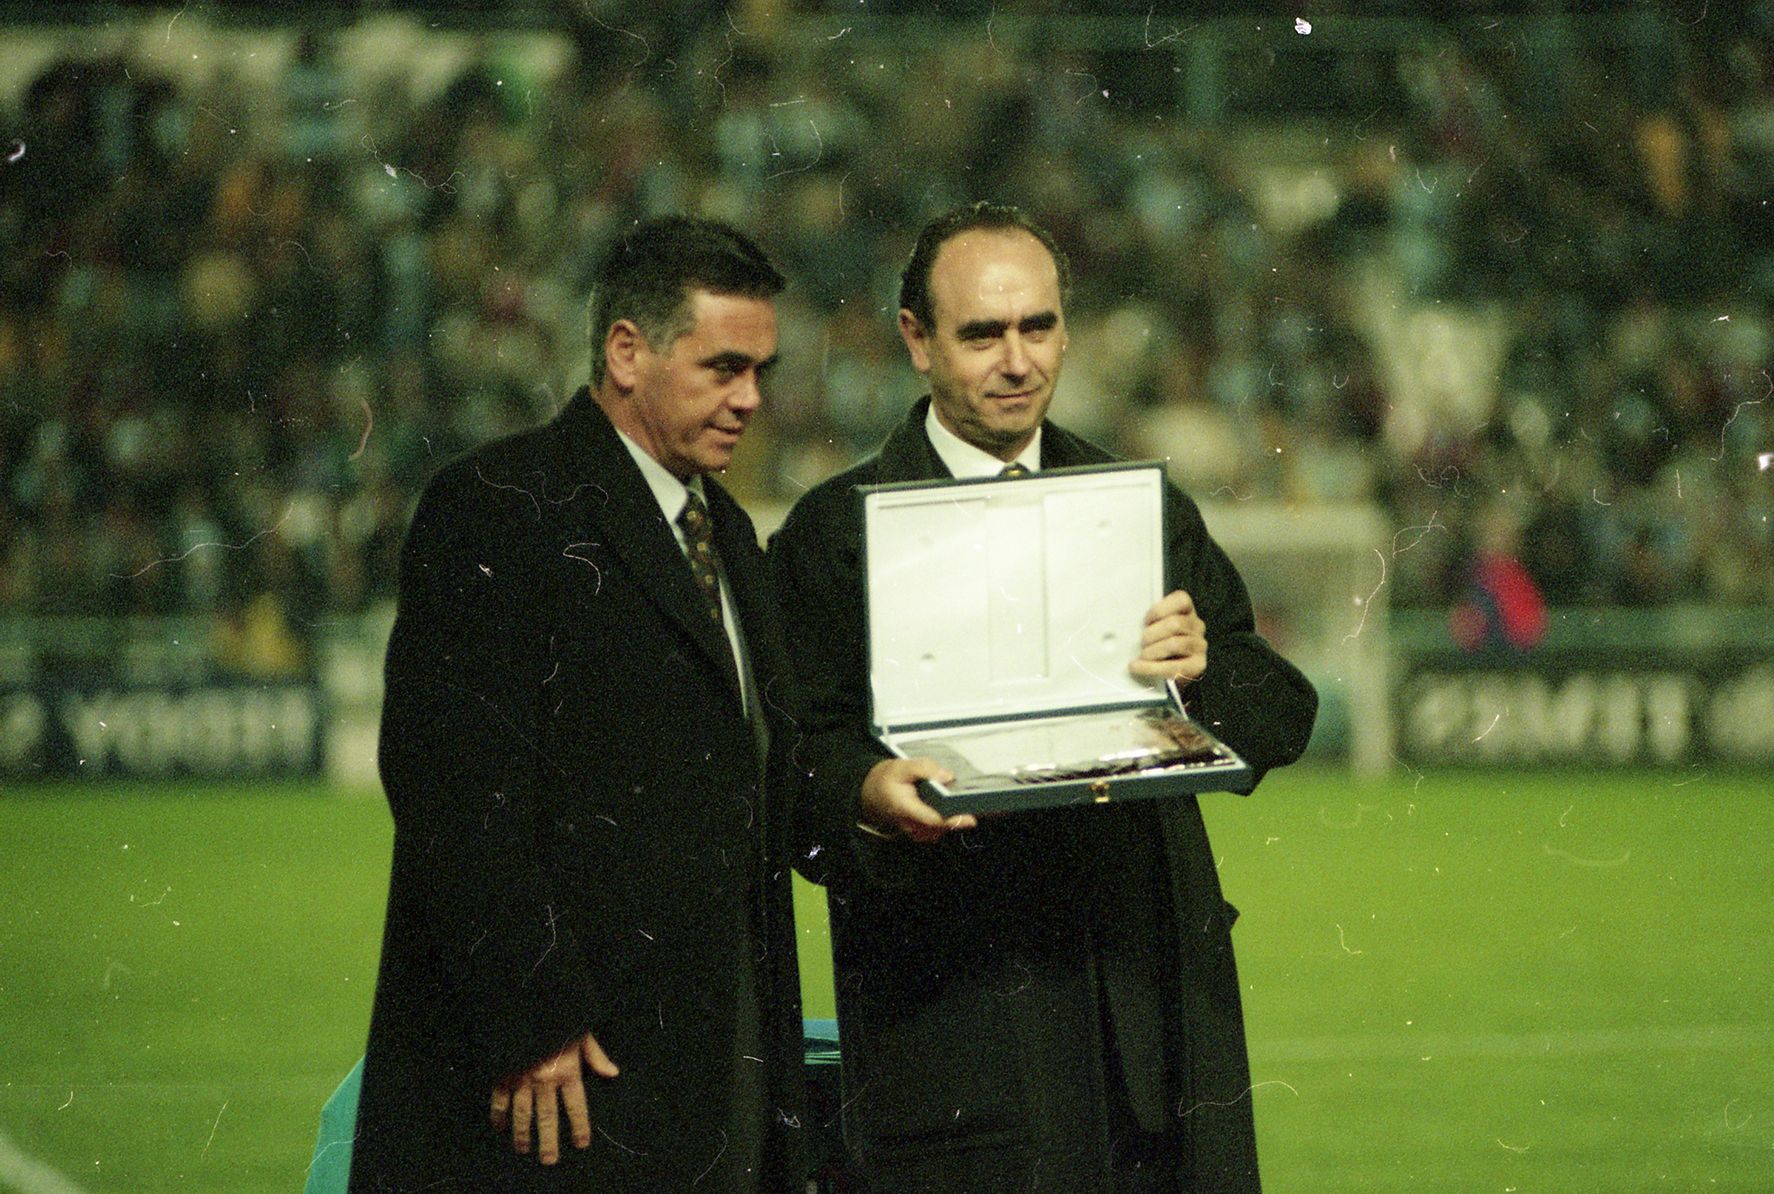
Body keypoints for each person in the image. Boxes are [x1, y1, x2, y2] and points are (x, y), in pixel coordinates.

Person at [768, 202, 1317, 1192]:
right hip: (957, 1034)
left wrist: (1200, 673)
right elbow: (790, 761)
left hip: (1150, 1030)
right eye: (982, 333)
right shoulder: (833, 535)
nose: (1016, 360)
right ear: (915, 342)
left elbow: (1280, 711)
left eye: (1038, 327)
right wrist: (866, 791)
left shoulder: (1139, 507)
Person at [350, 216, 807, 1191]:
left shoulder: (724, 531)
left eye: (759, 370)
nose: (750, 398)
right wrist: (531, 1017)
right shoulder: (499, 505)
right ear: (626, 352)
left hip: (709, 1069)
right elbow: (453, 786)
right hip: (561, 1075)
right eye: (723, 367)